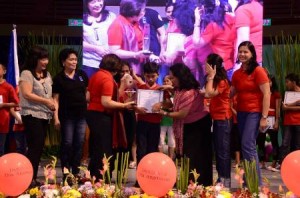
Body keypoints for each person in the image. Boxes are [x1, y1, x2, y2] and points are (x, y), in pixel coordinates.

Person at [157, 63, 213, 186]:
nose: (170, 81)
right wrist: (163, 98)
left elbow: (181, 114)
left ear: (180, 77)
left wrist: (162, 112)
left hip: (198, 126)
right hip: (189, 125)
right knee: (188, 156)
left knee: (195, 157)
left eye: (172, 78)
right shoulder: (180, 89)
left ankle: (196, 184)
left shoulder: (189, 92)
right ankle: (190, 183)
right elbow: (173, 105)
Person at [86, 54, 135, 180]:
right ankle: (103, 178)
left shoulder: (96, 75)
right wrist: (125, 106)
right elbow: (106, 102)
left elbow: (87, 97)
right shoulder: (107, 78)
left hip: (92, 114)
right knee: (104, 149)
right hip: (101, 115)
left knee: (97, 147)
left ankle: (94, 176)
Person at [231, 41, 270, 186]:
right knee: (246, 145)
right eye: (240, 51)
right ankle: (250, 181)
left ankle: (256, 183)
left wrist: (264, 117)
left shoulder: (258, 71)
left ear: (252, 54)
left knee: (248, 144)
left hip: (255, 112)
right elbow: (231, 93)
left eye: (245, 52)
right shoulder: (236, 73)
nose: (242, 54)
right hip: (241, 113)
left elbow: (267, 94)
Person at [19, 46, 55, 186]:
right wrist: (46, 101)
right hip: (31, 114)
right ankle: (27, 179)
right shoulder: (26, 73)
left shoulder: (47, 75)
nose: (45, 61)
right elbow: (27, 94)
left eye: (46, 58)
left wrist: (52, 104)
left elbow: (50, 94)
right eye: (42, 59)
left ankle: (32, 177)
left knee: (39, 147)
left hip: (45, 115)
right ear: (35, 59)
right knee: (34, 146)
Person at [52, 48, 89, 177]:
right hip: (66, 116)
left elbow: (86, 93)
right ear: (63, 62)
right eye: (71, 59)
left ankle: (76, 170)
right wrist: (55, 118)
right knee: (67, 142)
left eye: (75, 59)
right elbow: (55, 99)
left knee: (79, 143)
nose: (74, 62)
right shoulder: (58, 78)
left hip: (81, 116)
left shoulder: (81, 75)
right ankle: (66, 171)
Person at [205, 53, 232, 188]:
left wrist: (210, 76)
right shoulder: (216, 80)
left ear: (212, 66)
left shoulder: (222, 81)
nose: (204, 66)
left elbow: (209, 93)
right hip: (216, 119)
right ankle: (222, 179)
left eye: (206, 64)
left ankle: (225, 180)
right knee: (219, 150)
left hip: (223, 119)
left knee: (222, 151)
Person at [193, 1, 236, 79]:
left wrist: (197, 21)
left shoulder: (213, 25)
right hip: (236, 66)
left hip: (223, 68)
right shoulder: (234, 19)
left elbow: (197, 43)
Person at [108, 0, 151, 75]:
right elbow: (114, 51)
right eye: (142, 10)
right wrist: (135, 55)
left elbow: (140, 44)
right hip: (123, 70)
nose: (143, 13)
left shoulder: (135, 22)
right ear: (133, 12)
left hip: (137, 68)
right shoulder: (117, 25)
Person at [83, 0, 116, 78]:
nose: (97, 4)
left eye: (99, 0)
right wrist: (96, 48)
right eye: (93, 2)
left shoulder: (111, 16)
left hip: (109, 62)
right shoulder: (78, 19)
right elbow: (76, 40)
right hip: (89, 63)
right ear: (86, 3)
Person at [256, 75, 281, 172]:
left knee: (274, 140)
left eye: (269, 81)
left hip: (272, 119)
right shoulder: (262, 93)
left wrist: (277, 121)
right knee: (260, 140)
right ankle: (262, 162)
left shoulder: (276, 94)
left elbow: (278, 108)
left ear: (272, 82)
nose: (268, 83)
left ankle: (274, 162)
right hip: (263, 118)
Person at [234, 0, 263, 70]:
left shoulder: (243, 10)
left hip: (248, 63)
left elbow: (243, 40)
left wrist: (239, 64)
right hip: (258, 59)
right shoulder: (259, 6)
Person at [278, 73, 300, 166]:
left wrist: (289, 106)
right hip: (288, 121)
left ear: (294, 82)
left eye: (287, 82)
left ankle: (296, 164)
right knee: (285, 143)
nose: (286, 84)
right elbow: (283, 107)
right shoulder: (287, 93)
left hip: (298, 121)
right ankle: (282, 164)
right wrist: (294, 104)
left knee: (297, 144)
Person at [0, 62, 19, 156]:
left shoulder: (8, 87)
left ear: (4, 71)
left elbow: (16, 103)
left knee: (1, 147)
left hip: (2, 121)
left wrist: (3, 105)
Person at [158, 75, 175, 160]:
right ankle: (161, 159)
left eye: (167, 81)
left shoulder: (175, 93)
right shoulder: (161, 93)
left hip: (172, 121)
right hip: (162, 120)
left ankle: (171, 160)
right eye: (164, 81)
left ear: (172, 82)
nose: (165, 83)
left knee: (171, 142)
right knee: (161, 141)